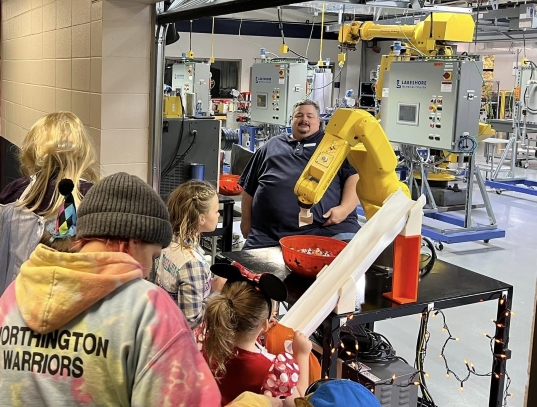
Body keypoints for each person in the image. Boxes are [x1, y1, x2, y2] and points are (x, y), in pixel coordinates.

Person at [0, 172, 223, 406]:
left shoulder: (14, 295)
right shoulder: (149, 312)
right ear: (131, 242)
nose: (147, 272)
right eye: (153, 256)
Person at [239, 100, 360, 249]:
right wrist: (246, 222)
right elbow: (248, 187)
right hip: (268, 235)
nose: (304, 120)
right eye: (299, 115)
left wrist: (344, 210)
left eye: (310, 116)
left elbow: (354, 178)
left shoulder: (334, 147)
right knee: (242, 270)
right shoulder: (272, 145)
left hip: (325, 231)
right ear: (292, 119)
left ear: (319, 120)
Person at [0, 112, 99, 293]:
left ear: (33, 149)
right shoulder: (94, 198)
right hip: (71, 307)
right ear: (83, 151)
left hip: (16, 303)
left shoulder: (15, 194)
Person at [202, 263, 312, 406]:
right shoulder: (272, 368)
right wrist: (302, 354)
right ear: (264, 325)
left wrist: (258, 333)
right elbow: (299, 402)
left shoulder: (206, 342)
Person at [155, 180, 226, 330]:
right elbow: (192, 321)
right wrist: (218, 298)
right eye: (216, 211)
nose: (218, 214)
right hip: (184, 340)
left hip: (165, 323)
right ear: (201, 218)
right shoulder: (192, 263)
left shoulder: (168, 243)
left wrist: (212, 285)